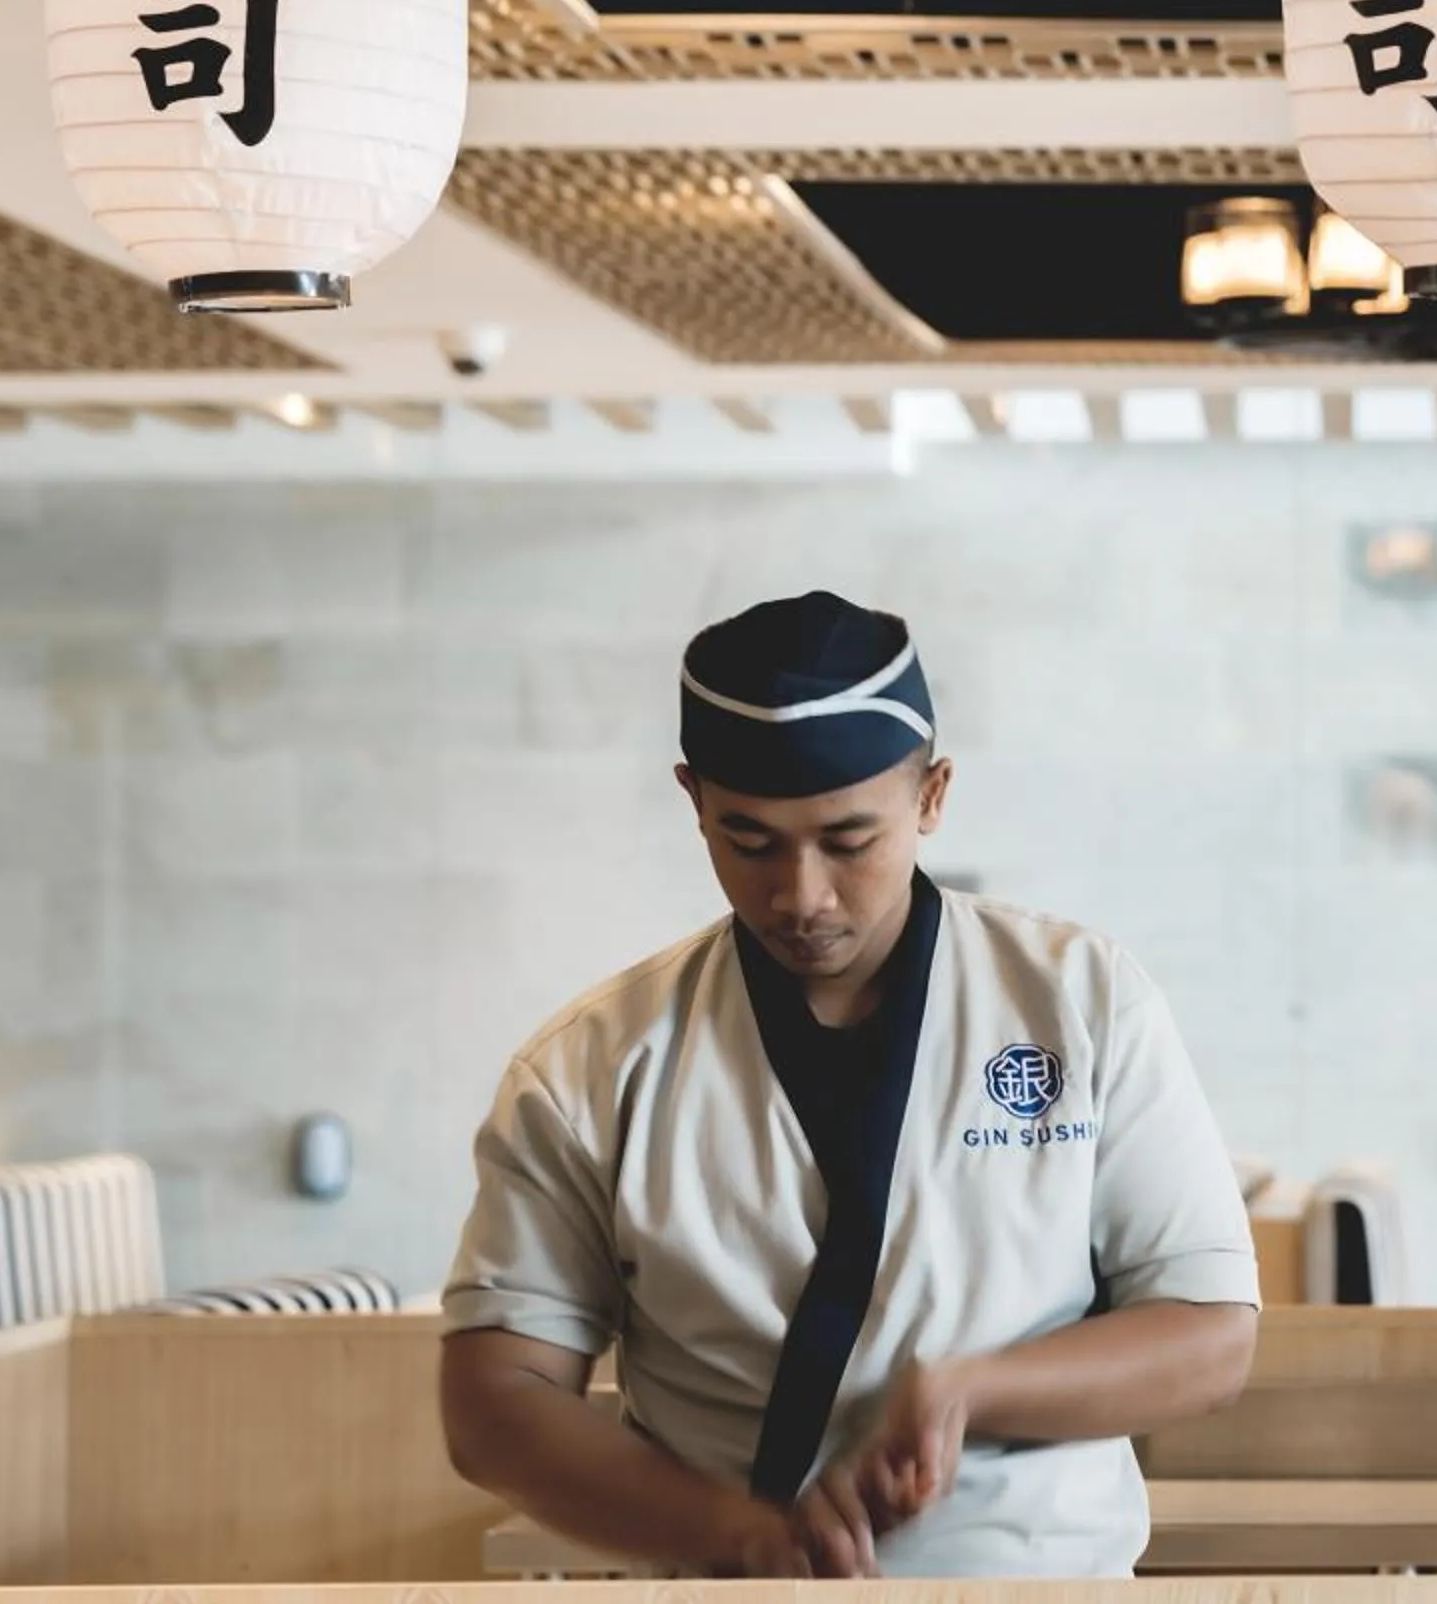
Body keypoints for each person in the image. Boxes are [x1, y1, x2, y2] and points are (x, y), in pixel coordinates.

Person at [437, 591, 1261, 1578]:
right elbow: (496, 1402)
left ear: (932, 795)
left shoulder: (1081, 1000)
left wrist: (971, 1389)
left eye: (848, 839)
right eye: (749, 841)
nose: (800, 895)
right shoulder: (592, 1064)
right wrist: (732, 1533)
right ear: (692, 797)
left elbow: (1211, 1336)